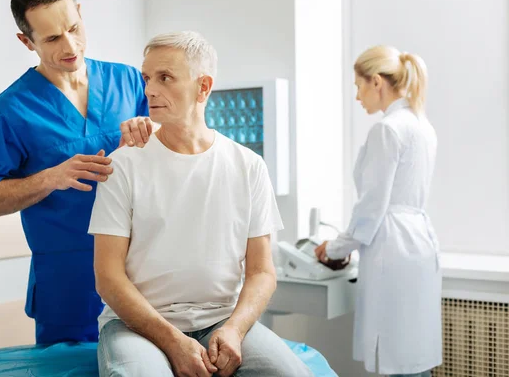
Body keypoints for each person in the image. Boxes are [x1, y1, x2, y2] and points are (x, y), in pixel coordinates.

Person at [89, 31, 313, 377]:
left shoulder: (248, 166)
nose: (149, 89)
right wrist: (174, 341)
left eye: (165, 78)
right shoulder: (123, 165)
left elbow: (262, 272)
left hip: (220, 320)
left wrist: (234, 330)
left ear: (203, 87)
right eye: (147, 78)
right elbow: (107, 277)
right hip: (136, 327)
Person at [0, 0, 152, 344]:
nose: (70, 46)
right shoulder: (10, 110)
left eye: (74, 28)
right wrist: (51, 177)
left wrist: (154, 135)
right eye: (52, 38)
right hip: (67, 284)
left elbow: (164, 161)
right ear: (27, 41)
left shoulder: (129, 82)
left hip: (140, 273)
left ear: (81, 14)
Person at [315, 45, 441, 377]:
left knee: (395, 356)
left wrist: (334, 248)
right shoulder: (422, 126)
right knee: (413, 356)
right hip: (419, 245)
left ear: (376, 82)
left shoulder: (388, 129)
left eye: (358, 87)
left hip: (393, 249)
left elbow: (372, 207)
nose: (357, 97)